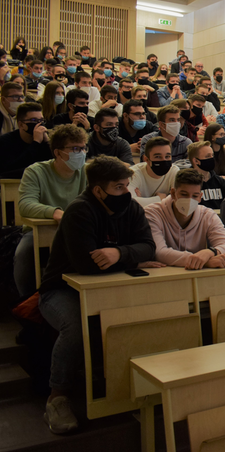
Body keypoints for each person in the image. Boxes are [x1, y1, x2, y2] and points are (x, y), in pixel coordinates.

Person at [38, 155, 155, 434]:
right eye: (118, 187)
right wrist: (133, 258)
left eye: (126, 186)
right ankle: (57, 397)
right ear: (98, 190)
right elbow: (87, 265)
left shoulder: (131, 207)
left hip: (112, 284)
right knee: (77, 327)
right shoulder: (79, 210)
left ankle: (130, 388)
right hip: (62, 290)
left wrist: (119, 253)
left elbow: (149, 247)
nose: (125, 192)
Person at [14, 124, 87, 297]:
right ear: (58, 153)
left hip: (77, 229)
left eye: (84, 148)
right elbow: (25, 204)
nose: (81, 153)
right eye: (75, 149)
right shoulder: (35, 171)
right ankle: (26, 300)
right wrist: (55, 212)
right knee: (24, 252)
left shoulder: (87, 172)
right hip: (40, 229)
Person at [144, 169, 225, 269]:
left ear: (200, 197)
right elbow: (159, 252)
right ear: (173, 193)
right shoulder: (152, 213)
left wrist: (210, 252)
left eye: (195, 196)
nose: (189, 200)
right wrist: (203, 261)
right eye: (184, 194)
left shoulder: (207, 215)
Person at [0, 102, 52, 178]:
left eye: (41, 120)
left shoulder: (45, 139)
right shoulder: (5, 142)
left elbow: (55, 164)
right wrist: (36, 142)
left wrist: (48, 142)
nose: (39, 124)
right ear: (21, 124)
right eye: (33, 120)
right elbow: (10, 169)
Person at [129, 136, 179, 206]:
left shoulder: (174, 171)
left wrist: (142, 201)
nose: (164, 160)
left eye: (167, 156)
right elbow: (129, 203)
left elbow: (179, 200)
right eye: (158, 157)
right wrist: (160, 198)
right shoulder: (133, 173)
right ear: (146, 159)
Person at [187, 141, 225, 209]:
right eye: (207, 156)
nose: (212, 159)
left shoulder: (220, 182)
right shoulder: (187, 183)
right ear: (196, 161)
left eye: (212, 155)